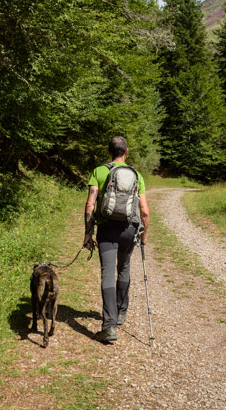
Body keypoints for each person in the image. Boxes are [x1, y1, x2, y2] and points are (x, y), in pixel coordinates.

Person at [83, 136, 149, 342]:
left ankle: (109, 327)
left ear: (109, 151)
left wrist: (88, 233)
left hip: (106, 230)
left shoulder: (99, 171)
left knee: (107, 274)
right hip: (129, 230)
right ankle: (121, 312)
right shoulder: (136, 175)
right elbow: (144, 211)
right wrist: (144, 235)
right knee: (125, 267)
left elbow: (90, 205)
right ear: (126, 152)